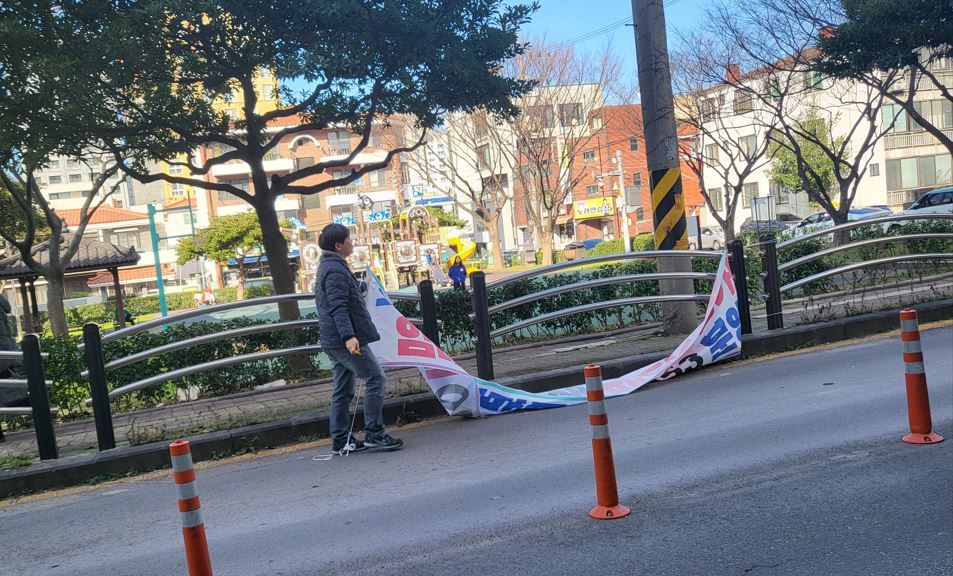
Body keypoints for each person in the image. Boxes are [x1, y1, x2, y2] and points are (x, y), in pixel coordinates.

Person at [315, 223, 402, 455]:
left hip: (333, 339)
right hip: (344, 340)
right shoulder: (334, 270)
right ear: (339, 245)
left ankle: (341, 440)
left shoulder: (331, 266)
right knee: (375, 378)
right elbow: (338, 306)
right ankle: (375, 433)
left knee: (343, 389)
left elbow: (346, 292)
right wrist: (349, 337)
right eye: (350, 239)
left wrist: (363, 285)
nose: (352, 243)